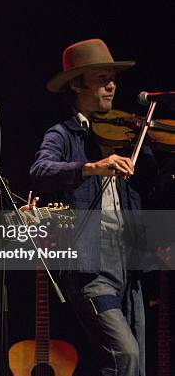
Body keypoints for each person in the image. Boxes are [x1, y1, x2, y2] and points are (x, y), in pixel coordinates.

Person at [30, 39, 154, 376]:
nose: (112, 85)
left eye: (112, 78)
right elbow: (41, 170)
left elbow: (152, 186)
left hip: (129, 263)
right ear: (77, 84)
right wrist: (93, 167)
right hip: (90, 266)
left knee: (137, 365)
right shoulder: (64, 134)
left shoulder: (125, 132)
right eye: (102, 78)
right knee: (124, 355)